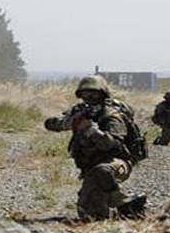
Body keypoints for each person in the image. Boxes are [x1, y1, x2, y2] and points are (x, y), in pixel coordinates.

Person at [44, 75, 146, 221]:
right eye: (85, 93)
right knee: (88, 214)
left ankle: (124, 200)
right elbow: (60, 124)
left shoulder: (112, 116)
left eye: (94, 93)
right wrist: (58, 123)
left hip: (117, 162)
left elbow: (112, 145)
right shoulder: (81, 112)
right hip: (91, 168)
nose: (89, 96)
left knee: (102, 170)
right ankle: (123, 212)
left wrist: (93, 131)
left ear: (102, 94)